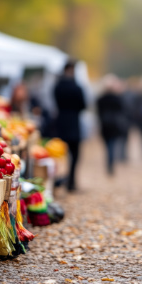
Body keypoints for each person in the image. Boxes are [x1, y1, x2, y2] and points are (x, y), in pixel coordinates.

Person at [53, 60, 86, 192]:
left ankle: (60, 179)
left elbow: (55, 101)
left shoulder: (58, 87)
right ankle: (71, 181)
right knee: (75, 154)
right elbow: (83, 105)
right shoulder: (77, 87)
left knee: (60, 153)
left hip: (61, 123)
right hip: (74, 123)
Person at [96, 75, 125, 175]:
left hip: (105, 125)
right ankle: (110, 164)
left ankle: (109, 163)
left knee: (108, 146)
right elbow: (122, 111)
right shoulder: (117, 98)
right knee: (112, 145)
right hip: (114, 125)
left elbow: (98, 113)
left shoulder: (100, 99)